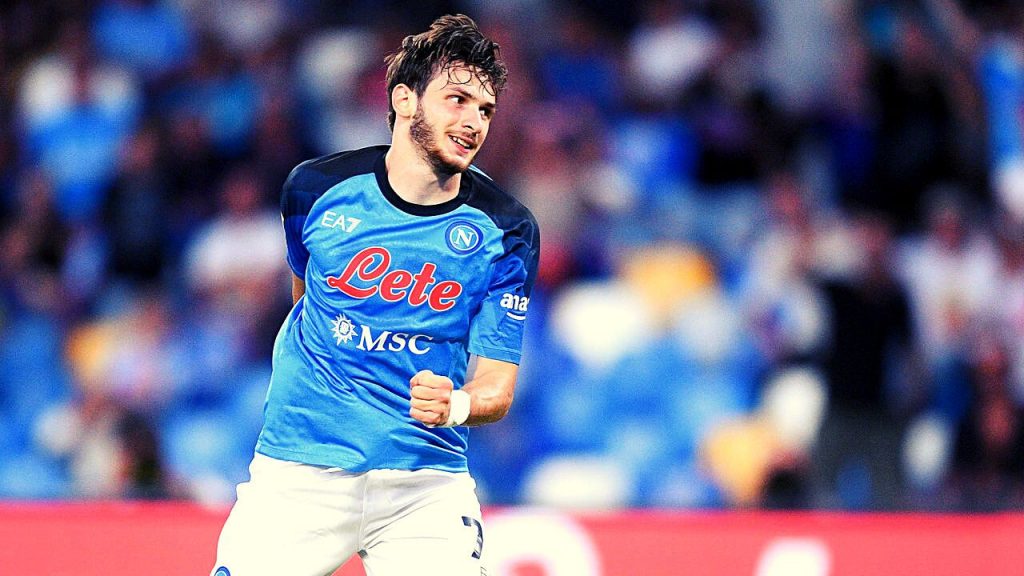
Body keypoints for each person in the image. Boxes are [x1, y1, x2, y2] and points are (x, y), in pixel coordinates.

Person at [210, 14, 539, 576]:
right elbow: (304, 298)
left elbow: (497, 384)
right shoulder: (316, 189)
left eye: (485, 110)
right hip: (300, 471)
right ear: (405, 99)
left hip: (425, 485)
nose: (473, 122)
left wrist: (457, 405)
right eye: (457, 100)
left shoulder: (507, 229)